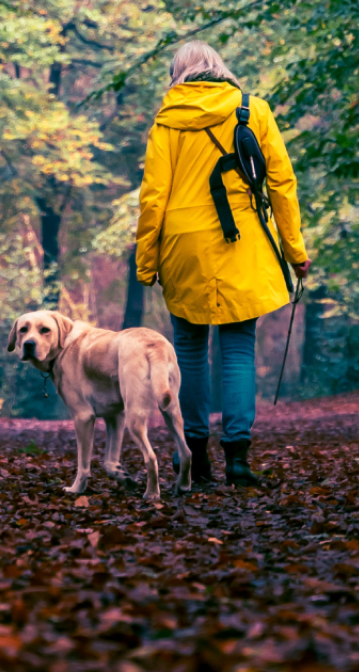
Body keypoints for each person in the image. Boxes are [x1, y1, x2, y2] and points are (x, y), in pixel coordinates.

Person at [134, 40, 311, 487]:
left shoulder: (168, 121)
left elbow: (154, 196)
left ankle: (192, 457)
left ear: (179, 73)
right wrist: (295, 251)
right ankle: (238, 458)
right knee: (237, 350)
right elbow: (282, 185)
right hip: (241, 242)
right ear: (218, 66)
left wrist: (146, 261)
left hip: (183, 246)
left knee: (189, 353)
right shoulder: (253, 111)